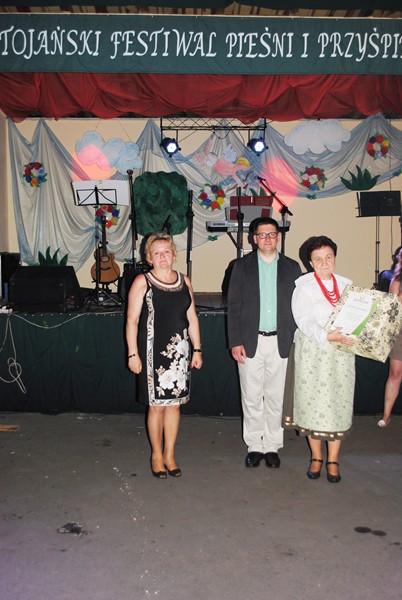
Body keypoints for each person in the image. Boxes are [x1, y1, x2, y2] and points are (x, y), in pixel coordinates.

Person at [227, 216, 302, 470]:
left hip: (281, 342)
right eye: (262, 234)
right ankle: (254, 446)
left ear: (278, 237)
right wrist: (235, 341)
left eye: (272, 234)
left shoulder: (292, 267)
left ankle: (271, 445)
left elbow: (298, 307)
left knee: (275, 397)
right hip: (250, 342)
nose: (267, 238)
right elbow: (234, 307)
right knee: (251, 396)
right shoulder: (241, 266)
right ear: (254, 238)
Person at [126, 232, 203, 479]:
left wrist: (197, 348)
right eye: (156, 253)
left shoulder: (185, 281)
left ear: (174, 255)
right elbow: (132, 320)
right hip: (151, 353)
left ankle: (170, 455)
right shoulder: (143, 281)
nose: (162, 257)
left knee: (174, 405)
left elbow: (192, 317)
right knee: (157, 407)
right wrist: (132, 354)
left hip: (179, 352)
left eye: (166, 251)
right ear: (149, 257)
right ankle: (156, 455)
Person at [283, 236, 355, 483]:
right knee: (312, 404)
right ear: (310, 263)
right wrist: (326, 336)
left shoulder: (347, 285)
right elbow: (303, 321)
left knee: (338, 404)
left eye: (328, 257)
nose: (324, 263)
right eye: (318, 259)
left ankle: (333, 459)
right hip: (313, 353)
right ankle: (316, 457)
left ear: (335, 258)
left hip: (341, 354)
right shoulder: (304, 287)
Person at [378, 247, 402, 427]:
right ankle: (386, 415)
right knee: (395, 373)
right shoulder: (396, 280)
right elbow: (392, 310)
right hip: (400, 330)